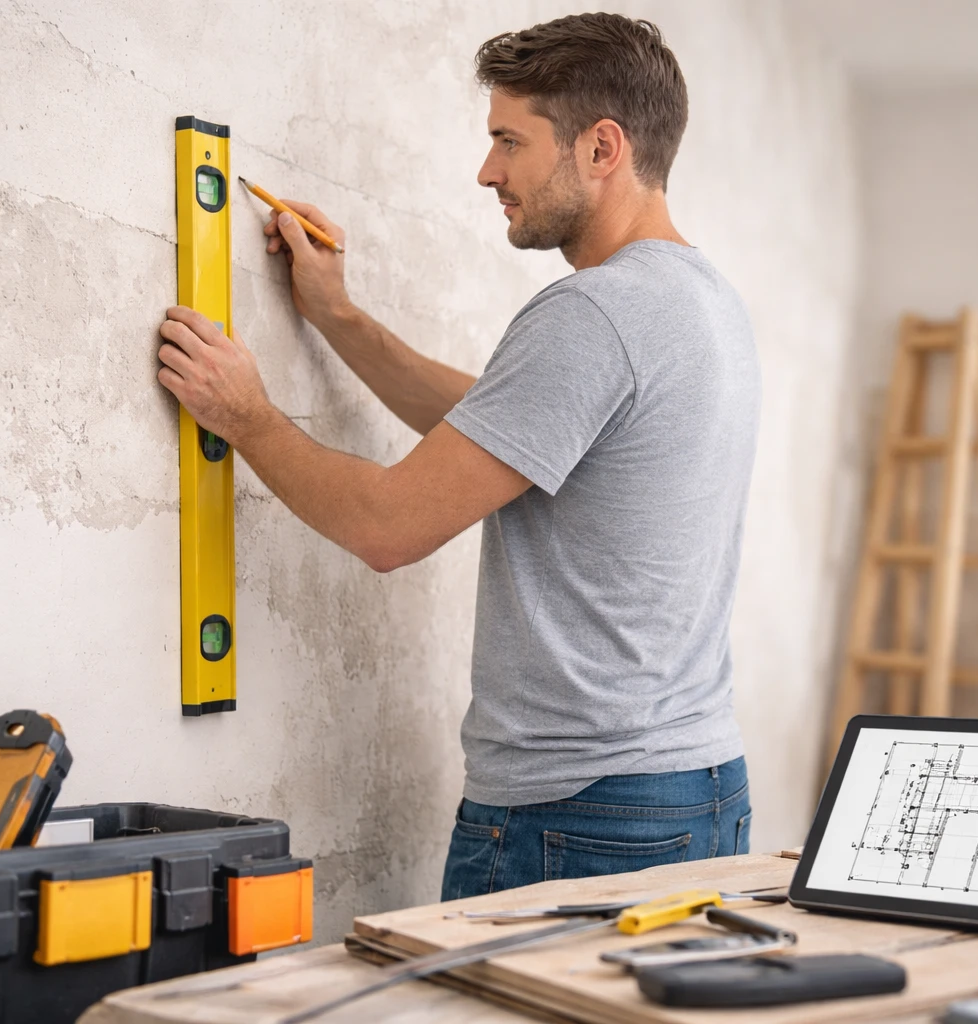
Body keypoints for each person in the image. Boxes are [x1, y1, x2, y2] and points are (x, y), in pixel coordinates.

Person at [156, 12, 760, 899]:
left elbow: (388, 526)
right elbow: (506, 428)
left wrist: (244, 415)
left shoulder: (593, 316)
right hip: (695, 791)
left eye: (509, 141)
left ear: (602, 148)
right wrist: (340, 318)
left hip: (580, 816)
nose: (488, 172)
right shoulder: (702, 302)